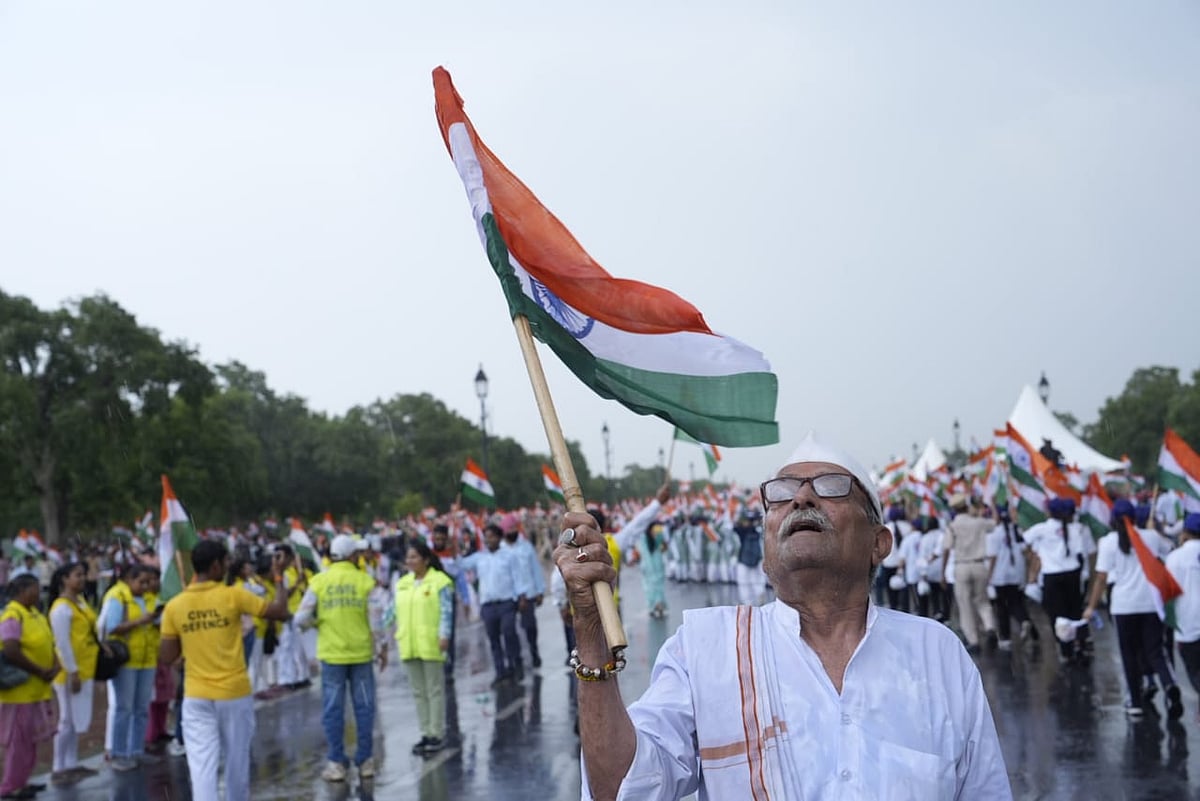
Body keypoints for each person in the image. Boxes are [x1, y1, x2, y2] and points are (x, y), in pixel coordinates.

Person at [556, 431, 1011, 799]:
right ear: (766, 551)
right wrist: (590, 632)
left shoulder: (937, 653)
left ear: (880, 543)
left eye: (831, 487)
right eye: (782, 493)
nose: (801, 499)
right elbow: (621, 789)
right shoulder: (706, 650)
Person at [158, 540, 291, 801]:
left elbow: (167, 655)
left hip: (195, 695)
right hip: (233, 693)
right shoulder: (233, 595)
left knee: (202, 766)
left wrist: (190, 646)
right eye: (227, 561)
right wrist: (277, 576)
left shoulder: (175, 605)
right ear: (216, 565)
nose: (229, 566)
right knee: (236, 761)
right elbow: (280, 611)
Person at [294, 534, 386, 782]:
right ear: (352, 556)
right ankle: (366, 761)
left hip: (332, 656)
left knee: (333, 710)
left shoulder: (319, 582)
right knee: (365, 707)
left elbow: (299, 619)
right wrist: (383, 646)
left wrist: (317, 623)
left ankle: (336, 763)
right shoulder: (365, 581)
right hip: (361, 654)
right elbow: (377, 619)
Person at [1083, 500, 1182, 718]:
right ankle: (1168, 685)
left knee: (1129, 653)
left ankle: (1135, 702)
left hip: (1123, 606)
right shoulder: (1151, 538)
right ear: (1135, 517)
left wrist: (1091, 606)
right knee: (1156, 651)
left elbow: (1101, 577)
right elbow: (1170, 549)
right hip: (1150, 603)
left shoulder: (1108, 543)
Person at [0, 574, 60, 800]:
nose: (39, 593)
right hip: (20, 692)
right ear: (23, 590)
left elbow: (48, 642)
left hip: (37, 689)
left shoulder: (34, 613)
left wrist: (54, 665)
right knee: (18, 741)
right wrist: (39, 670)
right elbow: (10, 650)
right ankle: (10, 786)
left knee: (31, 740)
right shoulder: (12, 615)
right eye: (35, 588)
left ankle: (22, 781)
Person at [393, 539, 454, 756]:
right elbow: (392, 611)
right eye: (407, 558)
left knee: (434, 691)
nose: (409, 561)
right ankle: (425, 733)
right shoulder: (403, 583)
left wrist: (444, 635)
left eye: (414, 557)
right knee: (419, 692)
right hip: (409, 644)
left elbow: (447, 611)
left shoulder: (440, 581)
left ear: (425, 560)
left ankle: (436, 734)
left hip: (432, 643)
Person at [99, 563, 159, 771]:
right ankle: (118, 752)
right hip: (127, 660)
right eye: (141, 582)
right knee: (124, 708)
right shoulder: (118, 597)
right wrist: (140, 621)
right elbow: (112, 627)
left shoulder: (150, 598)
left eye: (148, 582)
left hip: (148, 658)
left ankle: (136, 750)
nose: (145, 586)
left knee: (142, 708)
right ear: (129, 580)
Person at [1022, 498, 1096, 665]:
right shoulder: (1076, 529)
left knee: (1058, 615)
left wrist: (1031, 556)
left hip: (1052, 577)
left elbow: (1024, 541)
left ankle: (1066, 648)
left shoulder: (1042, 529)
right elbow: (1084, 552)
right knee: (1075, 611)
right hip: (1073, 574)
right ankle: (1081, 644)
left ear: (1049, 512)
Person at [47, 563, 100, 784]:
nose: (82, 579)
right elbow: (63, 644)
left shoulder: (80, 602)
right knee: (66, 719)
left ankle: (72, 763)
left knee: (76, 718)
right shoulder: (60, 608)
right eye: (77, 575)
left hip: (86, 667)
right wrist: (73, 671)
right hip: (71, 672)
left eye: (83, 575)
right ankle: (59, 767)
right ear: (64, 580)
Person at [460, 524, 528, 686]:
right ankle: (500, 671)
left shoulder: (509, 556)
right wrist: (454, 549)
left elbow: (518, 576)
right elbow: (460, 565)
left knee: (509, 632)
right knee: (494, 638)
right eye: (486, 537)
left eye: (492, 536)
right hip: (488, 605)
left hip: (506, 602)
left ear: (499, 537)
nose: (488, 540)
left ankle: (514, 663)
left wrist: (522, 596)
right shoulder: (479, 557)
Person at [942, 495, 997, 653]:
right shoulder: (979, 522)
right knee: (982, 601)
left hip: (961, 566)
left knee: (965, 605)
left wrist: (943, 572)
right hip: (980, 564)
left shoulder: (952, 526)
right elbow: (995, 523)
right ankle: (990, 626)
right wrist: (991, 506)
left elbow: (946, 549)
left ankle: (973, 640)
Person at [985, 506, 1035, 649]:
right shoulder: (1016, 531)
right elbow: (1027, 552)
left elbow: (992, 557)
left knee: (1002, 607)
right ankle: (1023, 620)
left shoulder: (994, 534)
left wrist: (989, 577)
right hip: (1016, 574)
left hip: (1000, 575)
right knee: (1016, 602)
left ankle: (1006, 638)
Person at [500, 514, 546, 668]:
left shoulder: (526, 546)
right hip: (509, 595)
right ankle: (516, 659)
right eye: (509, 529)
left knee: (530, 626)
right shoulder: (500, 549)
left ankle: (534, 652)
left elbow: (535, 569)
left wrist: (540, 591)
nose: (512, 531)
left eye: (514, 528)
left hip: (529, 592)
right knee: (509, 630)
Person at [1166, 513, 1200, 719]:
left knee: (1194, 671)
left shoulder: (1175, 558)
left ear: (1185, 533)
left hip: (1188, 623)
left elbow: (1168, 591)